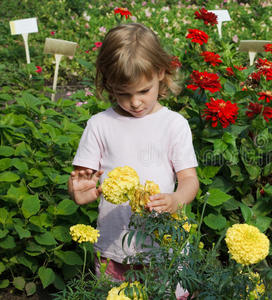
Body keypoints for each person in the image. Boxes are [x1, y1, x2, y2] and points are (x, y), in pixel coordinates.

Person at [67, 23, 199, 298]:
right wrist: (79, 191)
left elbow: (189, 180)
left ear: (161, 74)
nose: (135, 102)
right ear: (108, 85)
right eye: (123, 93)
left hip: (163, 245)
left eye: (143, 91)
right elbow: (86, 181)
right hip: (115, 245)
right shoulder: (99, 125)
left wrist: (176, 199)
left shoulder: (173, 124)